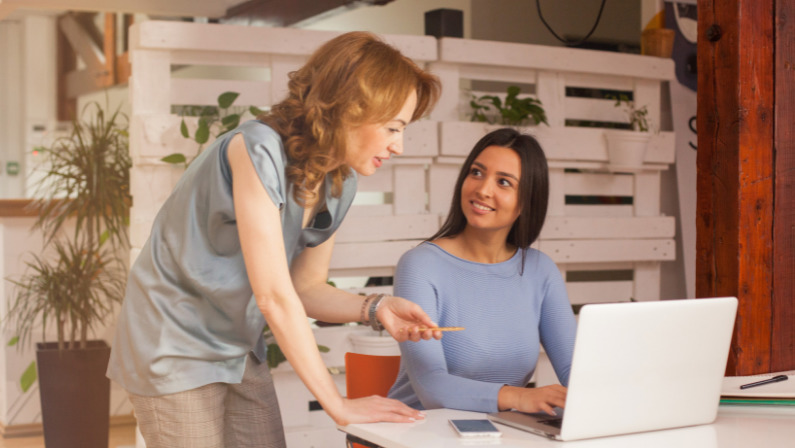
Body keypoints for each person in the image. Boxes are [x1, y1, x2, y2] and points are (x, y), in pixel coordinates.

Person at [107, 31, 442, 447]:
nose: (400, 145)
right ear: (352, 108)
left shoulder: (339, 183)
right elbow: (274, 296)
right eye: (393, 127)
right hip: (171, 343)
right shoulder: (256, 148)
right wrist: (337, 404)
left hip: (236, 347)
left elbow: (306, 289)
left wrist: (377, 307)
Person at [387, 127, 577, 416]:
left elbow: (574, 370)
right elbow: (431, 387)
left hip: (499, 434)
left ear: (526, 201)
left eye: (503, 182)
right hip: (420, 432)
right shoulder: (420, 265)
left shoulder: (540, 271)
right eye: (476, 173)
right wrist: (519, 397)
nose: (483, 189)